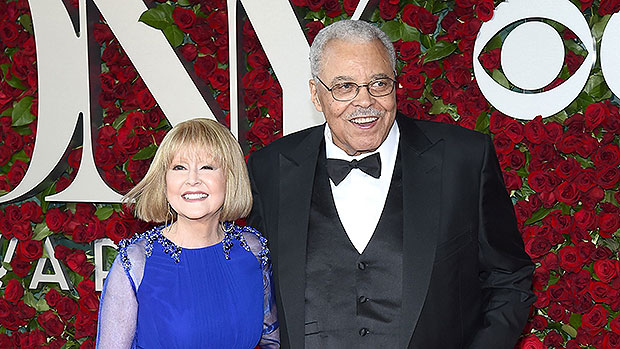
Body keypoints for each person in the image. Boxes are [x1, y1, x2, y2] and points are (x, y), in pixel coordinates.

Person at [246, 20, 534, 348]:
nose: (364, 101)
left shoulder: (464, 159)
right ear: (316, 94)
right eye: (344, 87)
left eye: (378, 84)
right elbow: (252, 288)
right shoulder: (270, 168)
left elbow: (509, 280)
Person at [96, 118, 279, 348]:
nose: (192, 180)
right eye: (179, 168)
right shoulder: (137, 262)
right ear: (164, 180)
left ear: (230, 177)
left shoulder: (252, 249)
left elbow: (273, 340)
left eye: (207, 167)